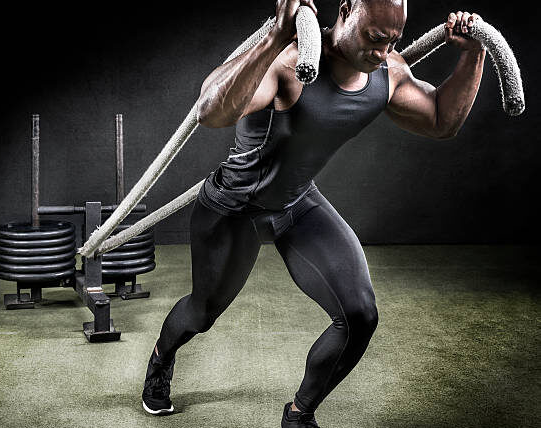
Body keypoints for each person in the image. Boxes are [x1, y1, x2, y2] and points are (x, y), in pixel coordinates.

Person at [142, 0, 485, 426]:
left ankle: (299, 415)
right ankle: (160, 360)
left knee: (360, 314)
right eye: (374, 39)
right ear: (345, 11)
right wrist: (272, 38)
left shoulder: (388, 72)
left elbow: (440, 121)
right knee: (202, 313)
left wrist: (473, 54)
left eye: (392, 41)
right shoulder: (289, 64)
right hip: (234, 209)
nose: (381, 54)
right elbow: (210, 113)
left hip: (296, 204)